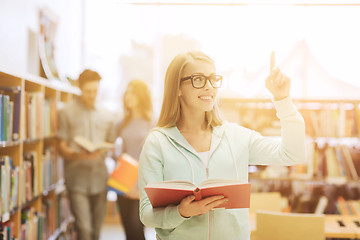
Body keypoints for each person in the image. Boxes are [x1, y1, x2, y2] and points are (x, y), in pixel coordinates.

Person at [138, 51, 306, 240]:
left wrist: (282, 99)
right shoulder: (158, 143)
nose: (209, 86)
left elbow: (292, 154)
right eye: (198, 79)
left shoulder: (236, 136)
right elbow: (146, 214)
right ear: (177, 88)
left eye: (213, 79)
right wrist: (181, 212)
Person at [57, 69, 116, 240]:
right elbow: (61, 147)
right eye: (88, 91)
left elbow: (111, 145)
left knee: (96, 232)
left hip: (100, 178)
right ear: (79, 88)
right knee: (84, 229)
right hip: (77, 180)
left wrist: (105, 149)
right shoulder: (66, 112)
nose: (92, 95)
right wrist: (80, 155)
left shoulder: (107, 115)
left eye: (95, 91)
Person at [115, 79, 154, 240]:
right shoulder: (121, 124)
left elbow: (154, 158)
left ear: (141, 96)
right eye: (126, 93)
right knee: (128, 232)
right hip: (123, 182)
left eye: (132, 93)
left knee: (136, 229)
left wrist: (138, 187)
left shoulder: (153, 122)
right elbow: (118, 153)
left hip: (141, 185)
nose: (127, 96)